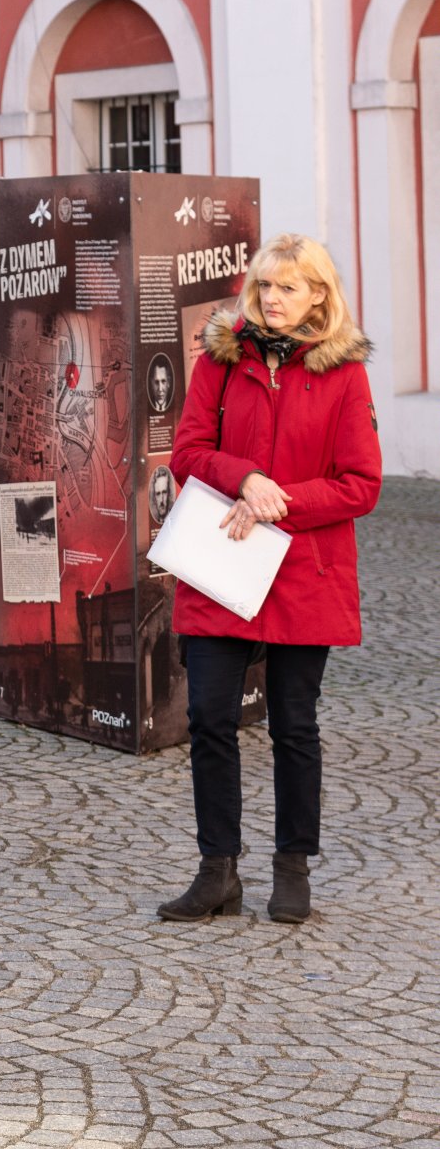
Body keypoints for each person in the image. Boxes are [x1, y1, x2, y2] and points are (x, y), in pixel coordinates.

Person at [158, 232, 381, 924]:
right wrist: (244, 478)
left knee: (292, 724)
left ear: (318, 294)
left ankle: (292, 869)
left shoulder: (343, 373)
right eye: (264, 287)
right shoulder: (221, 362)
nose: (272, 299)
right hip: (222, 565)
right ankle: (216, 871)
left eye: (288, 287)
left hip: (302, 571)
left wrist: (277, 501)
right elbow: (188, 453)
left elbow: (360, 485)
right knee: (208, 719)